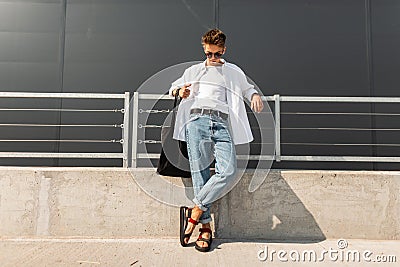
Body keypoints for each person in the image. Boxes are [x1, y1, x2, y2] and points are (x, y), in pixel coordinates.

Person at [169, 28, 263, 252]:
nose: (213, 58)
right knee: (200, 173)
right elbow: (173, 88)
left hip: (221, 123)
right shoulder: (193, 70)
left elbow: (248, 88)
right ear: (204, 49)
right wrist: (180, 91)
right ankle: (205, 229)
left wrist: (255, 95)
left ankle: (196, 211)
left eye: (217, 54)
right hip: (196, 121)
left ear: (224, 50)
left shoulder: (233, 71)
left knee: (228, 171)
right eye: (209, 53)